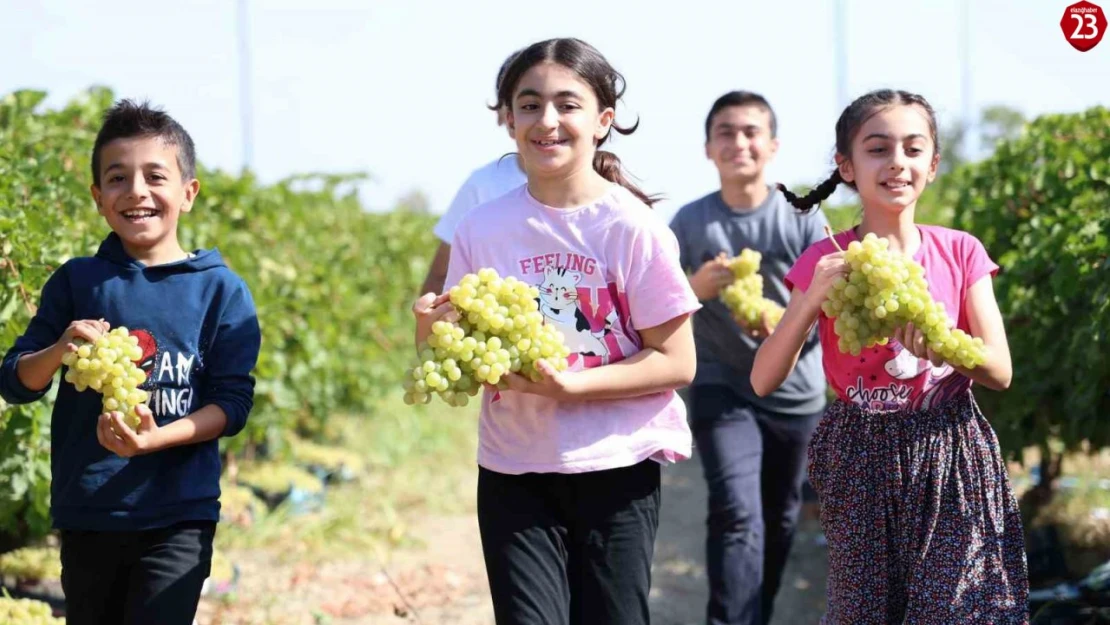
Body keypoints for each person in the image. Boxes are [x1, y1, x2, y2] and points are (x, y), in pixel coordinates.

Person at [412, 37, 700, 625]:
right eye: (529, 104)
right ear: (509, 120)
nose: (547, 121)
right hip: (514, 468)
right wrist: (428, 330)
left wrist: (572, 388)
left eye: (567, 105)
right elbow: (457, 359)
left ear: (603, 122)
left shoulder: (632, 227)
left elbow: (676, 362)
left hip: (616, 466)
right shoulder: (482, 228)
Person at [751, 88, 1028, 623]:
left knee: (958, 609)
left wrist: (946, 344)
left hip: (949, 450)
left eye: (913, 148)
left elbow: (1000, 371)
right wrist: (810, 300)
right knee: (867, 612)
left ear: (933, 163)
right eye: (877, 149)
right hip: (858, 454)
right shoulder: (823, 261)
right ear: (846, 166)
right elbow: (764, 379)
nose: (897, 162)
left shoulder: (961, 251)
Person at [0, 99, 262, 625]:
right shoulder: (77, 282)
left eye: (155, 176)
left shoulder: (221, 291)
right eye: (117, 178)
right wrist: (56, 352)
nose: (136, 191)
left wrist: (156, 439)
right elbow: (15, 381)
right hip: (88, 511)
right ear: (98, 198)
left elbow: (231, 406)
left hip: (179, 514)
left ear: (188, 193)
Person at [668, 90, 829, 625]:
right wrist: (695, 287)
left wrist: (784, 330)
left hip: (796, 391)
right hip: (721, 384)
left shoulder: (803, 217)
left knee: (780, 516)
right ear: (709, 148)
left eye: (751, 132)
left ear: (772, 145)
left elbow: (831, 307)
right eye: (726, 133)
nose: (739, 142)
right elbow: (658, 307)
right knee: (737, 512)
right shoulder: (689, 224)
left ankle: (752, 613)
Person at [420, 49, 528, 296]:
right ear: (503, 115)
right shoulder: (483, 185)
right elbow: (440, 276)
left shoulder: (605, 194)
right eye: (526, 105)